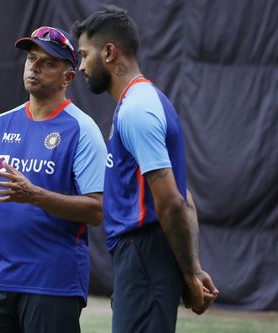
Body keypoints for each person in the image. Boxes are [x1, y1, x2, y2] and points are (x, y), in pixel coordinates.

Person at [73, 5, 219, 332]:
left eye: (84, 54)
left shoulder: (137, 110)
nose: (81, 66)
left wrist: (189, 277)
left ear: (109, 52)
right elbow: (186, 197)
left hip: (143, 254)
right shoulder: (146, 102)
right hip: (140, 256)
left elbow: (170, 202)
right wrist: (192, 269)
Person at [0, 26, 107, 332]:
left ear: (68, 78)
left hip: (53, 282)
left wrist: (35, 195)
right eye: (31, 59)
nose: (34, 67)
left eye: (47, 62)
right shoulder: (0, 124)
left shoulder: (82, 130)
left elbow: (97, 211)